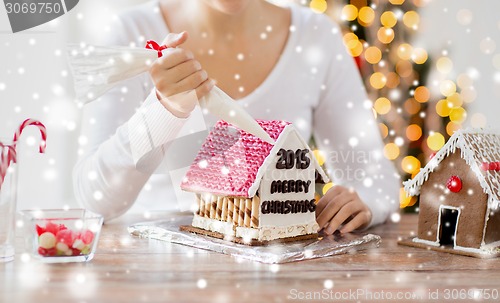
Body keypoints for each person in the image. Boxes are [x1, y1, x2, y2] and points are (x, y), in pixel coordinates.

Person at [73, 0, 399, 234]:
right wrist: (164, 111)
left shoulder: (317, 36)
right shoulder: (133, 34)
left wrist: (363, 201)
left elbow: (375, 178)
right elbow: (97, 199)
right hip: (158, 275)